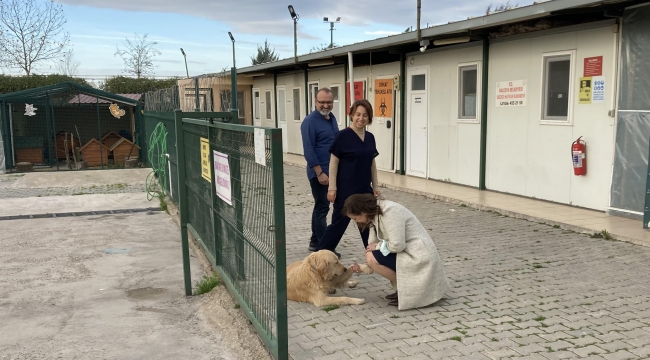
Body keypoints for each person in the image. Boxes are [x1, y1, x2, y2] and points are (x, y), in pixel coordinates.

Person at [344, 194, 451, 310]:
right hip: (408, 251)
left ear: (363, 211)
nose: (355, 222)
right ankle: (404, 290)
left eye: (355, 218)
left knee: (372, 257)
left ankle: (409, 291)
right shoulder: (374, 214)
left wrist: (378, 247)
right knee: (371, 256)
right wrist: (366, 265)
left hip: (419, 255)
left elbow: (397, 245)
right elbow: (372, 246)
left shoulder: (390, 212)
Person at [315, 99, 381, 256]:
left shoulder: (370, 138)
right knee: (337, 226)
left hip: (365, 191)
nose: (361, 118)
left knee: (367, 225)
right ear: (351, 115)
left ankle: (374, 257)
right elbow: (333, 163)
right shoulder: (342, 136)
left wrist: (376, 186)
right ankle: (319, 256)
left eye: (365, 115)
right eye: (358, 114)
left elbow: (372, 163)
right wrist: (332, 188)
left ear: (369, 118)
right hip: (345, 191)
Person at [301, 88, 339, 252]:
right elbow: (309, 150)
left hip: (332, 171)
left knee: (321, 206)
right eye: (322, 102)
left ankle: (315, 242)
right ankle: (325, 248)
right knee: (322, 207)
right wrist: (319, 173)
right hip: (320, 173)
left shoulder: (331, 118)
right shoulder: (309, 121)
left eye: (328, 102)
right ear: (315, 101)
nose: (325, 105)